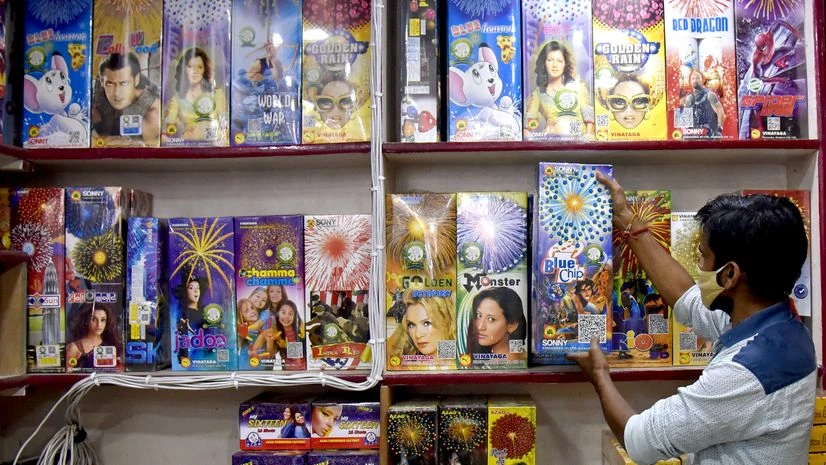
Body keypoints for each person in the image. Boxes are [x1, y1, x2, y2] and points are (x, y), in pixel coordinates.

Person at [568, 172, 815, 464]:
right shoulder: (777, 325)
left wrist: (598, 375)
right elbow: (688, 300)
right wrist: (626, 218)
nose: (698, 266)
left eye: (702, 256)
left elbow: (639, 441)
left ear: (730, 275)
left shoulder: (747, 372)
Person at [524, 41, 594, 138]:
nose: (554, 65)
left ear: (565, 64)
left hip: (579, 146)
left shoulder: (578, 87)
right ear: (544, 63)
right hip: (551, 146)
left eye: (559, 61)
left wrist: (587, 136)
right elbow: (526, 128)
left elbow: (590, 122)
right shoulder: (538, 94)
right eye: (550, 60)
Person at [91, 52, 161, 146]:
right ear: (102, 82)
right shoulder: (96, 97)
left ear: (136, 80)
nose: (117, 93)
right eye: (110, 84)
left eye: (124, 83)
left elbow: (147, 151)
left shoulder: (152, 112)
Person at [163, 47, 227, 144]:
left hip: (214, 145)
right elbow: (167, 132)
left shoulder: (217, 95)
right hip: (187, 146)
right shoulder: (176, 100)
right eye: (190, 66)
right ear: (184, 69)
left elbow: (224, 128)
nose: (195, 71)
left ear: (205, 70)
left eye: (200, 67)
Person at [388, 292, 455, 358]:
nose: (417, 335)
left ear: (446, 321)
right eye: (411, 324)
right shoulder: (406, 362)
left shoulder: (459, 358)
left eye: (426, 323)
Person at [465, 287, 526, 356]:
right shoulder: (488, 359)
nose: (480, 327)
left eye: (491, 319)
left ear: (512, 325)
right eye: (479, 315)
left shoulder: (513, 360)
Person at [66, 303, 121, 369]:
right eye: (94, 319)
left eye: (103, 320)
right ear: (86, 320)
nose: (99, 325)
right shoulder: (75, 348)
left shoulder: (111, 343)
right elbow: (68, 375)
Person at [679, 70, 725, 137]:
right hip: (693, 134)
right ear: (690, 81)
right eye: (693, 78)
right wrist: (684, 132)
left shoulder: (710, 95)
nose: (695, 80)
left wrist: (719, 129)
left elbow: (720, 112)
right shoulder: (689, 98)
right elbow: (685, 120)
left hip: (709, 134)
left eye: (697, 78)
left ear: (701, 81)